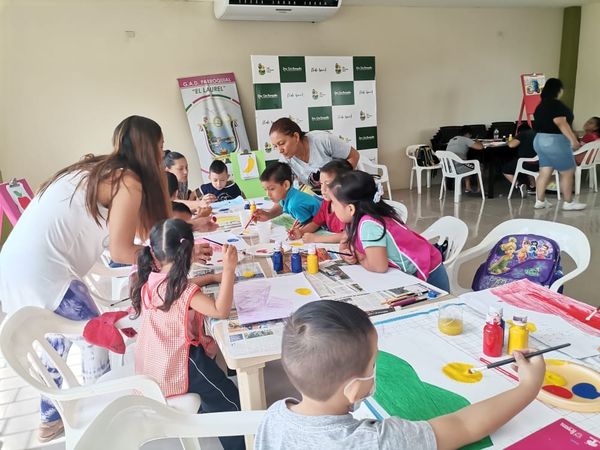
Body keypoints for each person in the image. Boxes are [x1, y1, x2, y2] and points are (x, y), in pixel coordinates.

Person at [0, 116, 212, 441]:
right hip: (42, 269)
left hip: (16, 263)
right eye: (160, 146)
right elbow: (122, 250)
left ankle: (50, 418)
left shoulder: (102, 170)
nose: (162, 155)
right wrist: (178, 254)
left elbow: (144, 231)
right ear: (148, 148)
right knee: (96, 337)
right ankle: (102, 424)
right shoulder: (127, 181)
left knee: (56, 338)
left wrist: (188, 232)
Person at [255, 301, 546, 450]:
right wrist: (529, 387)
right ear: (353, 389)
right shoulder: (377, 442)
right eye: (374, 363)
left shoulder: (274, 415)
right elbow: (463, 425)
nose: (376, 368)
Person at [131, 219, 244, 450]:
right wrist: (229, 270)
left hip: (156, 365)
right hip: (181, 365)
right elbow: (220, 311)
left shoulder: (151, 279)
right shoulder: (182, 291)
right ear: (189, 251)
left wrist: (211, 278)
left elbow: (180, 285)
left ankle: (205, 408)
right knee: (230, 400)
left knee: (214, 383)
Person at [329, 171, 449, 291]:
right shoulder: (361, 217)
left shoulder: (369, 225)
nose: (333, 208)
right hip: (417, 269)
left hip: (429, 276)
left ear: (350, 209)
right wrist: (346, 252)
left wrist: (359, 257)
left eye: (334, 203)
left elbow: (378, 266)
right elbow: (349, 243)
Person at [532, 78, 586, 210]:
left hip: (539, 140)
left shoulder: (540, 106)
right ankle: (568, 202)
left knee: (545, 171)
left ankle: (540, 201)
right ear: (559, 90)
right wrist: (573, 140)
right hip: (555, 141)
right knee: (567, 171)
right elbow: (561, 123)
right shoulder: (556, 104)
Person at [270, 117, 359, 194]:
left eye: (281, 143)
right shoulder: (284, 161)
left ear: (296, 137)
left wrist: (340, 187)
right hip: (323, 197)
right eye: (275, 146)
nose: (279, 150)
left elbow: (354, 156)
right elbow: (283, 192)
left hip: (348, 188)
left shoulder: (322, 140)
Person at [288, 159, 352, 244]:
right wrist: (301, 232)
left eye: (328, 184)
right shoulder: (327, 202)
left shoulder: (348, 208)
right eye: (321, 184)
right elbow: (316, 223)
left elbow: (347, 235)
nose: (323, 189)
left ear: (344, 184)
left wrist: (316, 239)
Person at [254, 162, 322, 225]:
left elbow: (312, 225)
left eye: (272, 189)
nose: (268, 194)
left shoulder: (294, 205)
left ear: (286, 185)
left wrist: (299, 231)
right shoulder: (288, 196)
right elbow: (281, 206)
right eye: (265, 189)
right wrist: (268, 215)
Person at [445, 125, 484, 193]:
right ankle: (479, 189)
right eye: (470, 135)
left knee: (466, 163)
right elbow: (480, 147)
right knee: (480, 166)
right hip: (458, 167)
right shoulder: (465, 139)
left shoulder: (452, 139)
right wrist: (477, 141)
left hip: (448, 168)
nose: (470, 137)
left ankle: (468, 188)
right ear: (467, 134)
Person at [501, 124, 537, 197]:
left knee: (505, 169)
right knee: (529, 170)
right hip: (540, 163)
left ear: (519, 132)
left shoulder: (523, 134)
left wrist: (509, 141)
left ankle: (519, 185)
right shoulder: (537, 133)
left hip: (527, 163)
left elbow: (511, 145)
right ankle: (533, 188)